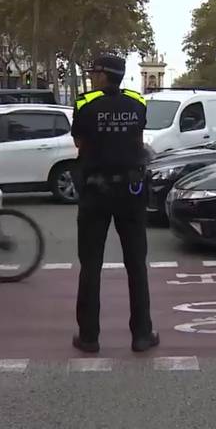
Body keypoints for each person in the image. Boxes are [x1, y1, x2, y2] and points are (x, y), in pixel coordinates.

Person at [71, 55, 159, 353]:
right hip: (131, 192)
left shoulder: (85, 104)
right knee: (136, 264)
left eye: (94, 72)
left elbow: (79, 145)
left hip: (96, 192)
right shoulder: (138, 103)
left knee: (91, 265)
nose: (91, 77)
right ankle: (142, 334)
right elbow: (138, 138)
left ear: (104, 75)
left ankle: (89, 336)